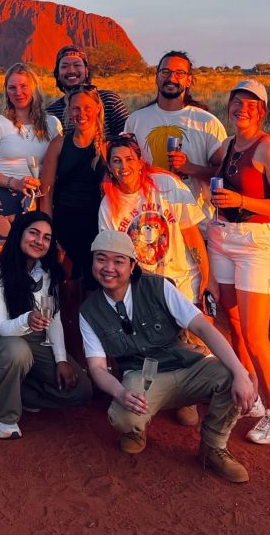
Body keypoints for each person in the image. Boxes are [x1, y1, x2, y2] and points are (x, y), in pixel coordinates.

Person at [79, 229, 257, 483]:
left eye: (118, 261)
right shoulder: (89, 311)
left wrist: (240, 372)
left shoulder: (158, 287)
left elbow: (203, 328)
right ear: (93, 262)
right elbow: (96, 367)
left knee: (232, 376)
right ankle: (136, 429)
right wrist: (119, 393)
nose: (108, 268)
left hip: (186, 365)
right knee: (123, 416)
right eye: (101, 259)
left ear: (132, 266)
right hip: (143, 376)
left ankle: (213, 447)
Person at [207, 79, 270, 446]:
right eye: (236, 102)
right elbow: (211, 172)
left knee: (257, 336)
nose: (241, 109)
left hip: (254, 243)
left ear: (262, 111)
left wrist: (242, 199)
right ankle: (252, 394)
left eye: (250, 105)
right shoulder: (229, 146)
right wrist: (185, 168)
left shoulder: (267, 149)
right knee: (234, 323)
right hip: (223, 238)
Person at [99, 133, 209, 427]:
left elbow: (192, 236)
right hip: (143, 284)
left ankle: (187, 397)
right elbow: (114, 257)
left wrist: (206, 281)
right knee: (153, 343)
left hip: (182, 277)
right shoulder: (109, 205)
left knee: (193, 342)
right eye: (116, 161)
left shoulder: (166, 185)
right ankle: (154, 396)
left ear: (140, 161)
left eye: (129, 159)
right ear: (109, 166)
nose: (124, 167)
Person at [0, 211, 92, 439]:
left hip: (34, 337)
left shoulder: (48, 272)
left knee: (81, 391)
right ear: (20, 232)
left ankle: (12, 391)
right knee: (17, 352)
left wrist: (60, 359)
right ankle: (3, 415)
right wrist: (27, 318)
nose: (40, 241)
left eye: (47, 237)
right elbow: (3, 327)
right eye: (34, 233)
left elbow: (55, 318)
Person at [123, 51, 226, 228]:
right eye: (166, 72)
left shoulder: (207, 122)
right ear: (156, 77)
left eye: (179, 73)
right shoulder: (136, 120)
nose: (172, 78)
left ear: (188, 80)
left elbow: (224, 173)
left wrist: (190, 168)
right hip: (150, 220)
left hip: (197, 224)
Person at [0, 63, 62, 261]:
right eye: (12, 87)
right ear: (6, 91)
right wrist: (15, 182)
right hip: (1, 203)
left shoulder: (52, 124)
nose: (18, 92)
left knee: (35, 269)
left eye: (24, 86)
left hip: (37, 203)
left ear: (34, 87)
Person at [40, 84, 108, 291]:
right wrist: (49, 234)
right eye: (76, 108)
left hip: (97, 228)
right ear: (69, 111)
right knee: (66, 288)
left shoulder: (108, 147)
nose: (81, 114)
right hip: (64, 227)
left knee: (94, 288)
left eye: (87, 108)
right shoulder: (59, 144)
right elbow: (47, 193)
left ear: (97, 108)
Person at [45, 45, 129, 141]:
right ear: (57, 74)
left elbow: (127, 138)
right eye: (64, 66)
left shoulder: (109, 100)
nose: (71, 70)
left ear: (86, 70)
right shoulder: (51, 114)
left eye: (77, 65)